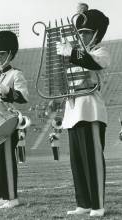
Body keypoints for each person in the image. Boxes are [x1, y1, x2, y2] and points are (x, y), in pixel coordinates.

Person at [56, 9, 110, 217]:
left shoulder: (101, 51)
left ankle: (97, 205)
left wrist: (71, 53)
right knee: (77, 161)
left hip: (90, 109)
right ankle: (84, 203)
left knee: (92, 159)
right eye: (81, 32)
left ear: (96, 34)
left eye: (87, 32)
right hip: (73, 110)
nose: (83, 36)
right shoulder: (74, 54)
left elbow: (91, 62)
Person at [0, 30, 29, 209]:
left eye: (2, 54)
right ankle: (1, 196)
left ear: (10, 54)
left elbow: (24, 97)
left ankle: (12, 197)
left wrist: (9, 92)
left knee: (7, 158)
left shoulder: (16, 74)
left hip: (10, 121)